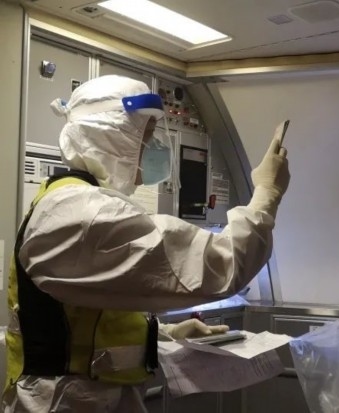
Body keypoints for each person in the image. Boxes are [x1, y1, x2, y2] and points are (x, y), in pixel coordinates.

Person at [3, 75, 290, 412]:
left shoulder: (75, 202)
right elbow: (222, 266)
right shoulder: (79, 214)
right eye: (146, 136)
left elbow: (93, 322)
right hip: (65, 402)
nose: (152, 149)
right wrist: (266, 194)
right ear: (111, 136)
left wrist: (163, 335)